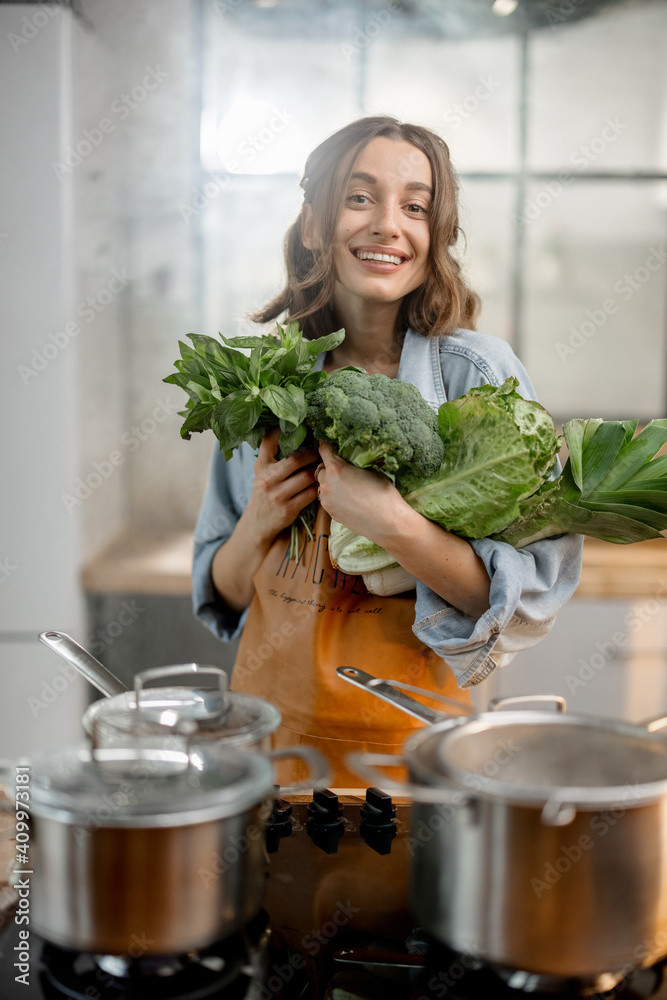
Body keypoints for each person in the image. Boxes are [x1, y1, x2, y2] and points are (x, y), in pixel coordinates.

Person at [192, 116, 583, 786]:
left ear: (434, 237)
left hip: (415, 758)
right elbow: (224, 595)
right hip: (271, 751)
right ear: (314, 225)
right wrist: (257, 522)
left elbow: (522, 602)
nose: (387, 225)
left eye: (415, 207)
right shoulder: (265, 381)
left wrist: (392, 526)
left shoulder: (478, 376)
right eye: (358, 197)